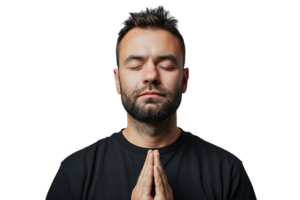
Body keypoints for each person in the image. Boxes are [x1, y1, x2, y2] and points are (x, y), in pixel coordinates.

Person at [45, 4, 257, 200]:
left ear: (185, 81)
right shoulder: (75, 173)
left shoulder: (228, 173)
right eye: (136, 65)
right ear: (116, 81)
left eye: (165, 65)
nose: (150, 75)